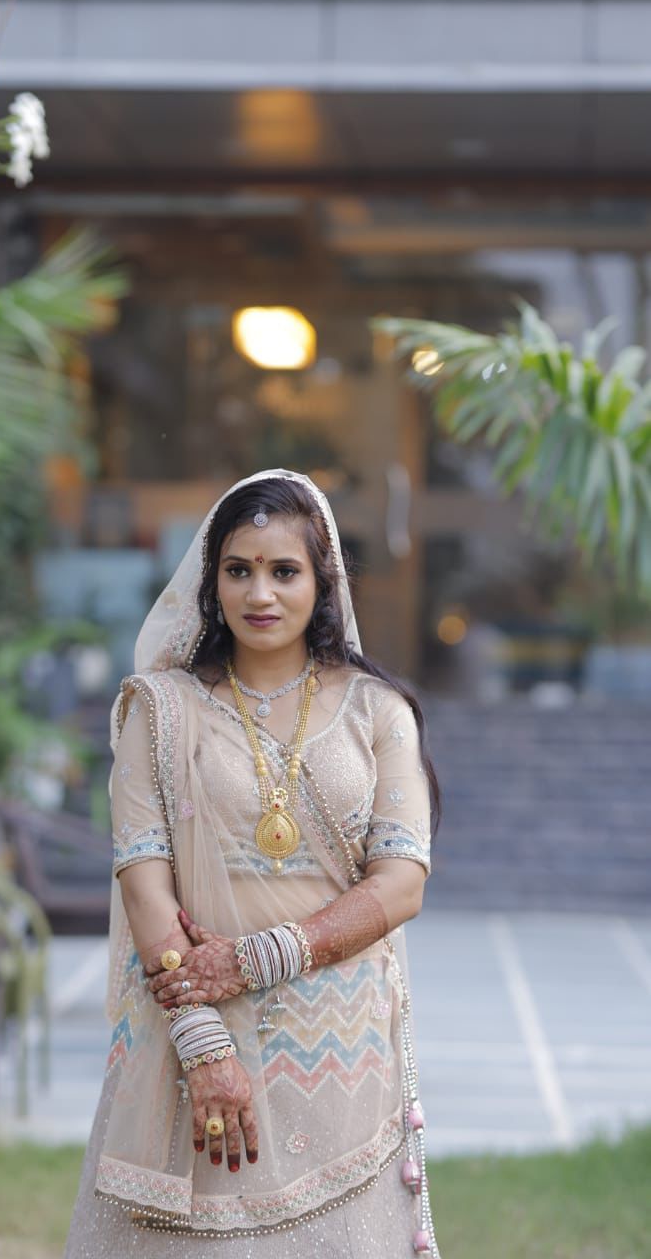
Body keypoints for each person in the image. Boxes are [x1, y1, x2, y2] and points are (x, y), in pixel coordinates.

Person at [64, 469, 442, 1257]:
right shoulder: (159, 710)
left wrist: (253, 959)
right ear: (211, 583)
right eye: (238, 570)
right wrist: (203, 1044)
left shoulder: (378, 711)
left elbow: (401, 880)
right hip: (193, 1039)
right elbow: (144, 882)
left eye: (283, 571)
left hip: (339, 1053)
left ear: (321, 581)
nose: (259, 593)